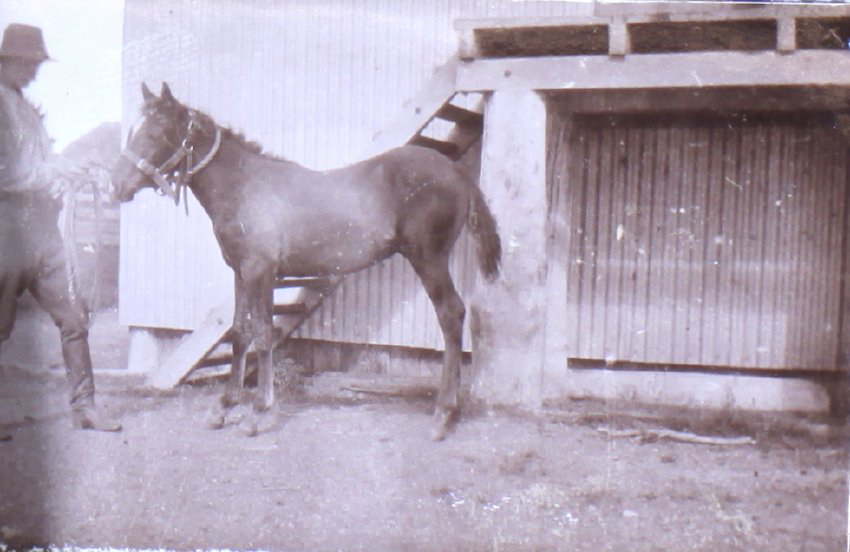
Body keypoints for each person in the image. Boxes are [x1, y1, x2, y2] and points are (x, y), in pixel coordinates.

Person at [0, 23, 121, 432]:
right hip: (9, 232)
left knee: (73, 316)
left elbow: (39, 165)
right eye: (29, 63)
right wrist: (45, 177)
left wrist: (65, 171)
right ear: (10, 61)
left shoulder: (26, 110)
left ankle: (85, 406)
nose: (35, 71)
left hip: (45, 235)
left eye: (37, 63)